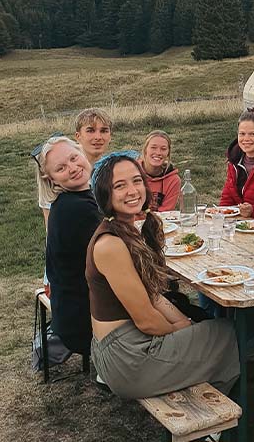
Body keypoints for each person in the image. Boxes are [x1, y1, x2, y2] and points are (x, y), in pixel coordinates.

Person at [86, 153, 239, 399]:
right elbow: (146, 320)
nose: (132, 190)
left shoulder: (129, 228)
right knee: (227, 333)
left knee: (208, 328)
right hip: (128, 358)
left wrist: (184, 325)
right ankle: (211, 426)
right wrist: (181, 329)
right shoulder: (110, 245)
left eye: (137, 181)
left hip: (127, 345)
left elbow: (153, 294)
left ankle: (212, 397)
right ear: (105, 194)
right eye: (119, 185)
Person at [35, 136, 102, 355]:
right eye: (61, 168)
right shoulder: (77, 209)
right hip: (86, 322)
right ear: (51, 179)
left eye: (74, 158)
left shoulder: (71, 201)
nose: (72, 168)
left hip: (70, 315)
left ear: (82, 153)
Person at [138, 130, 181, 212]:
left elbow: (166, 214)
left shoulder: (173, 180)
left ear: (168, 153)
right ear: (145, 150)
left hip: (159, 222)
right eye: (153, 147)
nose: (158, 153)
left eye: (163, 149)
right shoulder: (131, 172)